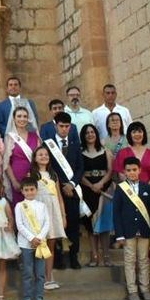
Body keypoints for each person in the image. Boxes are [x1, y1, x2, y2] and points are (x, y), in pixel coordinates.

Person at [112, 157, 150, 300]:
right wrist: (119, 234)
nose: (132, 173)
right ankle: (132, 290)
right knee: (129, 260)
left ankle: (145, 289)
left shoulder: (146, 187)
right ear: (124, 172)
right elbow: (116, 213)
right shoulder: (120, 189)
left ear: (139, 170)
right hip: (127, 231)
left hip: (144, 230)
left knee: (144, 260)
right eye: (128, 170)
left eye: (134, 170)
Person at [45, 112, 84, 269]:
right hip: (55, 191)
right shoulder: (48, 145)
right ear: (55, 126)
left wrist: (72, 184)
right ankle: (58, 258)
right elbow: (47, 167)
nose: (64, 129)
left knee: (74, 225)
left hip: (72, 191)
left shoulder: (75, 144)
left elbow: (80, 168)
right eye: (61, 126)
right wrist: (60, 185)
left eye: (67, 126)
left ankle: (74, 257)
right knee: (57, 224)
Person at [28, 146, 66, 291]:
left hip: (53, 211)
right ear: (35, 158)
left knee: (51, 244)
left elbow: (59, 196)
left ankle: (49, 277)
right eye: (40, 154)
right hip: (38, 212)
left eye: (46, 154)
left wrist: (63, 215)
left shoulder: (53, 175)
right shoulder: (32, 174)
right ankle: (38, 277)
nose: (43, 156)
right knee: (38, 245)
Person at [79, 124, 114, 267]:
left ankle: (106, 256)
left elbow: (110, 171)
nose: (90, 135)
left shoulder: (106, 151)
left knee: (104, 224)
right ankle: (94, 256)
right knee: (91, 225)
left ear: (96, 134)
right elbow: (79, 173)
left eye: (92, 132)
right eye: (87, 132)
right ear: (83, 135)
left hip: (103, 189)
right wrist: (91, 185)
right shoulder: (80, 153)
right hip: (87, 190)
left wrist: (100, 184)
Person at [14, 179, 50, 300]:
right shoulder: (19, 206)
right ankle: (27, 299)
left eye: (32, 189)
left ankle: (39, 298)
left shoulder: (42, 206)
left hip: (40, 244)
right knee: (28, 273)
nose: (29, 192)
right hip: (26, 244)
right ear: (22, 191)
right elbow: (20, 225)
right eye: (26, 190)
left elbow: (47, 223)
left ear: (36, 190)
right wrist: (31, 238)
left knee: (40, 273)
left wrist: (39, 238)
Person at [113, 122, 150, 209]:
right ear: (129, 135)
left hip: (148, 194)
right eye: (134, 132)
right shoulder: (123, 153)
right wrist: (133, 190)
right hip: (129, 195)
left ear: (144, 134)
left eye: (140, 131)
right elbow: (121, 174)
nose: (137, 134)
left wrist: (145, 190)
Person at [4, 106, 41, 207]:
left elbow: (39, 158)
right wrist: (14, 181)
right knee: (19, 207)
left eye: (25, 116)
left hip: (34, 175)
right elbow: (6, 162)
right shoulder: (10, 137)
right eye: (19, 116)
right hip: (17, 176)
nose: (22, 119)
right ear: (14, 119)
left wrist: (35, 173)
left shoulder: (35, 136)